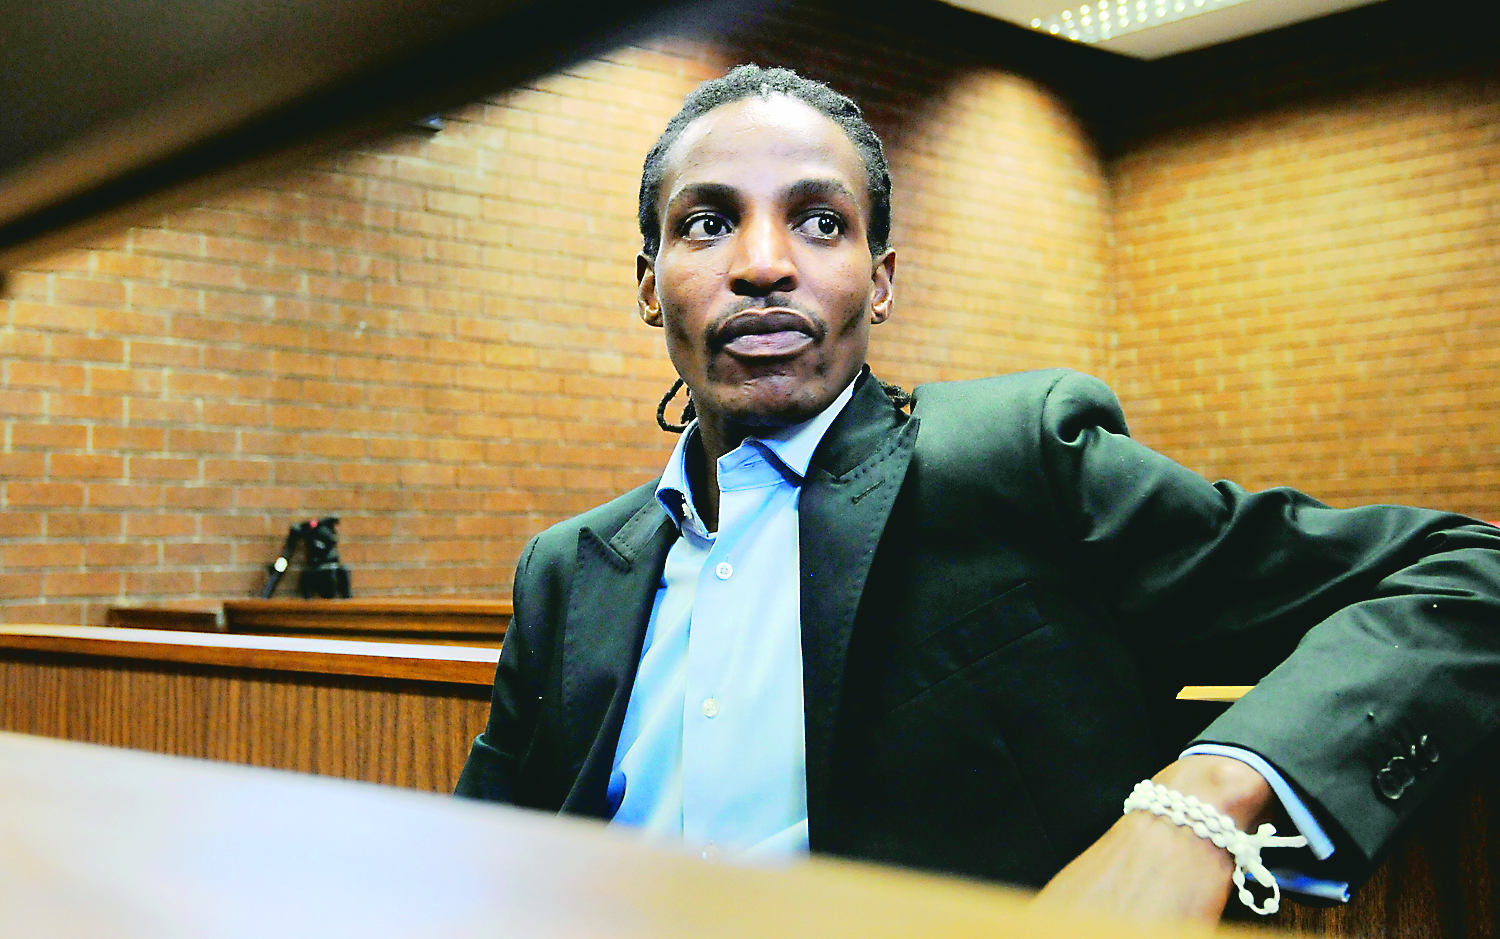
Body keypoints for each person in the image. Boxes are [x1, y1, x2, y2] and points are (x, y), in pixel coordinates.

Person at [455, 64, 1500, 922]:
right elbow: (480, 863)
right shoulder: (569, 572)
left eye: (819, 222)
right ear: (650, 283)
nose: (764, 263)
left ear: (882, 279)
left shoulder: (1020, 460)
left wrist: (1199, 805)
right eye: (706, 223)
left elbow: (1467, 570)